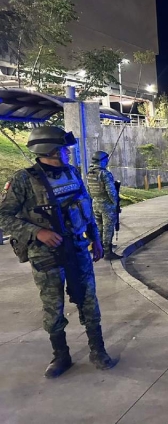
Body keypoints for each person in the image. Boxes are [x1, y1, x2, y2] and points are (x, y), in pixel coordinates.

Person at [0, 127, 116, 378]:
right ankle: (61, 355)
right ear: (49, 150)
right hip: (46, 253)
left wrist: (95, 239)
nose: (68, 153)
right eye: (64, 149)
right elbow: (3, 216)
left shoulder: (72, 173)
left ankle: (97, 350)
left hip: (77, 248)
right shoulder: (23, 180)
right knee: (53, 306)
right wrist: (36, 232)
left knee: (88, 300)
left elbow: (85, 206)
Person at [87, 151, 121, 260]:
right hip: (107, 205)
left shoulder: (90, 173)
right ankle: (108, 252)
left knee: (99, 227)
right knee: (108, 228)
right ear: (102, 161)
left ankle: (100, 247)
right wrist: (115, 204)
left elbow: (88, 190)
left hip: (95, 203)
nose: (107, 162)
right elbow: (111, 191)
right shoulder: (104, 173)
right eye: (106, 160)